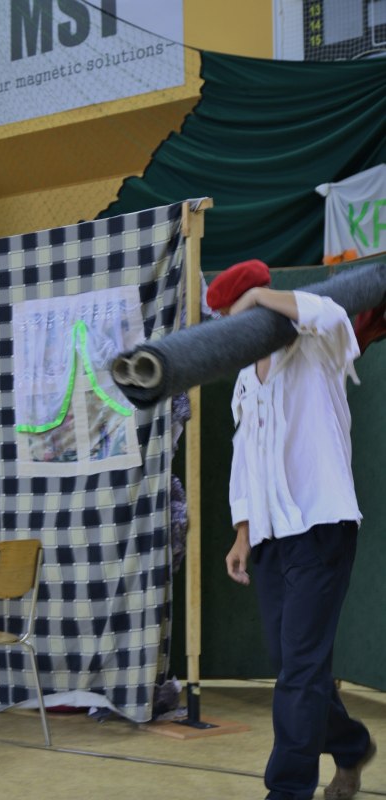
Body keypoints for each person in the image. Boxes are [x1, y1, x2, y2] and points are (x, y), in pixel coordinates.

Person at [206, 260, 376, 800]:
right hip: (271, 537)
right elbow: (245, 460)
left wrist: (262, 301)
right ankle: (350, 745)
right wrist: (242, 532)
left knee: (300, 672)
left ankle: (286, 791)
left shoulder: (314, 347)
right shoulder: (244, 379)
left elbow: (330, 313)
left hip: (322, 527)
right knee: (294, 668)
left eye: (231, 318)